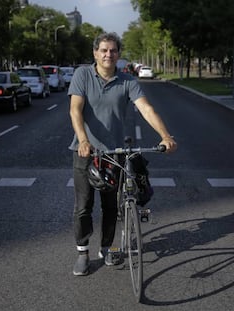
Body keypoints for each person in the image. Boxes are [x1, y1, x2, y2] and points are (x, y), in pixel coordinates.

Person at [68, 32, 177, 276]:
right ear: (95, 53)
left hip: (114, 153)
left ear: (118, 54)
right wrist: (84, 140)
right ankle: (82, 252)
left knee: (110, 206)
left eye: (113, 51)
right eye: (104, 50)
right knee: (84, 206)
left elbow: (146, 109)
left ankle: (106, 249)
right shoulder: (82, 75)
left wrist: (166, 136)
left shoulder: (127, 80)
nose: (108, 54)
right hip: (85, 151)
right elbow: (75, 109)